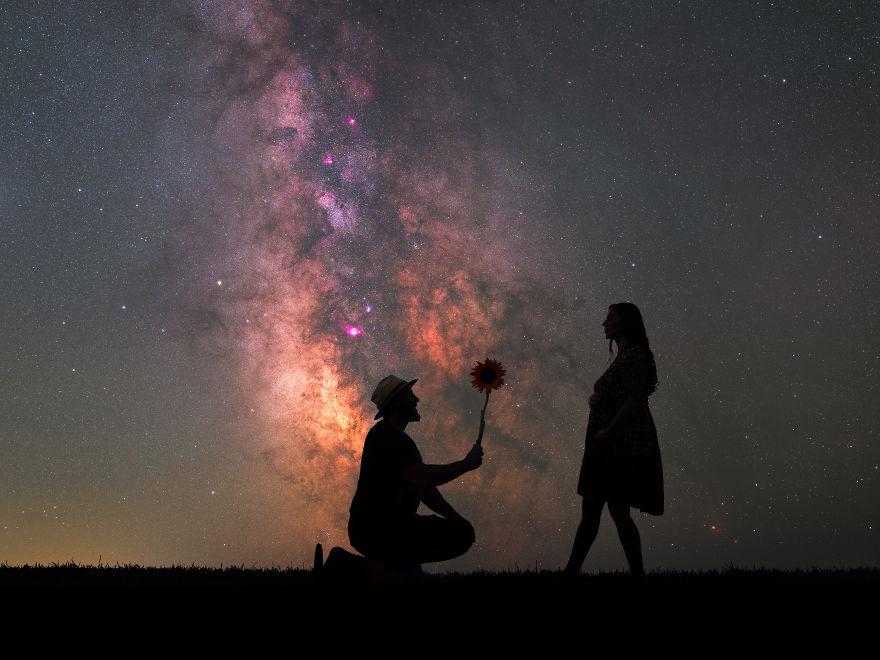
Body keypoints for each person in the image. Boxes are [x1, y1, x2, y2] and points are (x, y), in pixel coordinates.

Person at [346, 375, 484, 577]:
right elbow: (424, 477)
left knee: (460, 533)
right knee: (457, 536)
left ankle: (395, 569)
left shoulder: (399, 440)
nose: (417, 399)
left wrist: (455, 518)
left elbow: (425, 490)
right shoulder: (385, 437)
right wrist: (466, 464)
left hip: (393, 527)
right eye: (410, 395)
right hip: (376, 529)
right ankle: (348, 566)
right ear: (396, 403)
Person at [564, 303, 663, 576]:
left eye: (610, 318)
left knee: (603, 509)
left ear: (625, 323)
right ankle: (633, 574)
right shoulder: (626, 357)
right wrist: (595, 399)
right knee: (611, 510)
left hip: (617, 446)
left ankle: (572, 572)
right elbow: (622, 395)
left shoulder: (633, 356)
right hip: (610, 444)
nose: (604, 323)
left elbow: (634, 400)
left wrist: (608, 431)